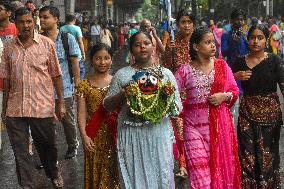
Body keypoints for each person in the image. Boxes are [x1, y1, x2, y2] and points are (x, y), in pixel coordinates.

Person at [103, 31, 182, 188]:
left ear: (153, 46)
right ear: (131, 50)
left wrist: (166, 97)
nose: (142, 47)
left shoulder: (165, 74)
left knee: (162, 178)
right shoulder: (122, 75)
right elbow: (107, 105)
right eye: (137, 45)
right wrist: (124, 94)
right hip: (131, 135)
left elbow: (177, 108)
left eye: (146, 43)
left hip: (159, 134)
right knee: (134, 178)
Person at [0, 7, 65, 188]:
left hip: (42, 106)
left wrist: (61, 103)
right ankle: (27, 184)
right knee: (21, 152)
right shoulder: (9, 47)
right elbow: (6, 80)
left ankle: (53, 171)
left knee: (47, 146)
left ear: (33, 21)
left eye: (29, 21)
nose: (26, 25)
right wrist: (4, 108)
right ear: (16, 23)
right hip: (15, 107)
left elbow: (56, 75)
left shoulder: (46, 44)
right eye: (21, 22)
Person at [175, 26, 241, 188]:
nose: (213, 45)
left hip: (219, 128)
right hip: (193, 129)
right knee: (201, 179)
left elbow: (234, 91)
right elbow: (172, 94)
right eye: (208, 42)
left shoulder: (222, 66)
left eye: (213, 42)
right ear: (196, 47)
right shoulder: (185, 70)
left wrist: (223, 96)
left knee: (219, 173)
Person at [232, 24, 283, 188]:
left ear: (266, 40)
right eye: (252, 37)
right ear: (248, 40)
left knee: (266, 155)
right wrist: (235, 76)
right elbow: (224, 84)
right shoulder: (240, 61)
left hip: (270, 116)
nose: (255, 41)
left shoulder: (274, 60)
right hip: (247, 113)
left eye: (260, 38)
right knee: (247, 154)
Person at [76, 43, 120, 189]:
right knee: (94, 170)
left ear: (111, 60)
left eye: (106, 58)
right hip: (92, 135)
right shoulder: (84, 84)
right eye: (98, 58)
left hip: (112, 134)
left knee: (111, 171)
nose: (102, 62)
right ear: (92, 60)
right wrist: (84, 136)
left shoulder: (117, 82)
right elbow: (81, 113)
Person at [40, 6, 81, 159]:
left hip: (65, 88)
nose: (42, 20)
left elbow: (75, 62)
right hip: (43, 89)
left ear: (56, 19)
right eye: (41, 17)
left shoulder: (67, 38)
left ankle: (72, 144)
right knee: (45, 123)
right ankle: (50, 153)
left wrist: (77, 84)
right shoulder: (38, 40)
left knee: (67, 119)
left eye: (46, 17)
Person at [61, 14, 86, 80]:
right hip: (76, 53)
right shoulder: (77, 28)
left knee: (68, 71)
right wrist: (83, 53)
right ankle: (78, 87)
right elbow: (80, 42)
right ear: (74, 20)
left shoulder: (62, 28)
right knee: (80, 71)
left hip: (65, 53)